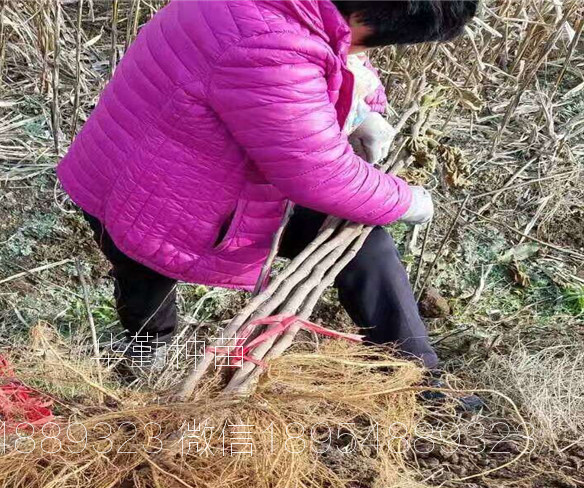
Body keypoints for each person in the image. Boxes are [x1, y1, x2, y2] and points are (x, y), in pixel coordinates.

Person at [58, 0, 482, 408]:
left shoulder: (303, 11)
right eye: (371, 41)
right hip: (148, 191)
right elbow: (322, 175)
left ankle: (420, 382)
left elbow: (337, 58)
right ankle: (147, 356)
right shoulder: (268, 44)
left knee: (367, 245)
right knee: (146, 269)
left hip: (189, 165)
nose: (365, 52)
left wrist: (362, 111)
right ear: (362, 13)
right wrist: (407, 200)